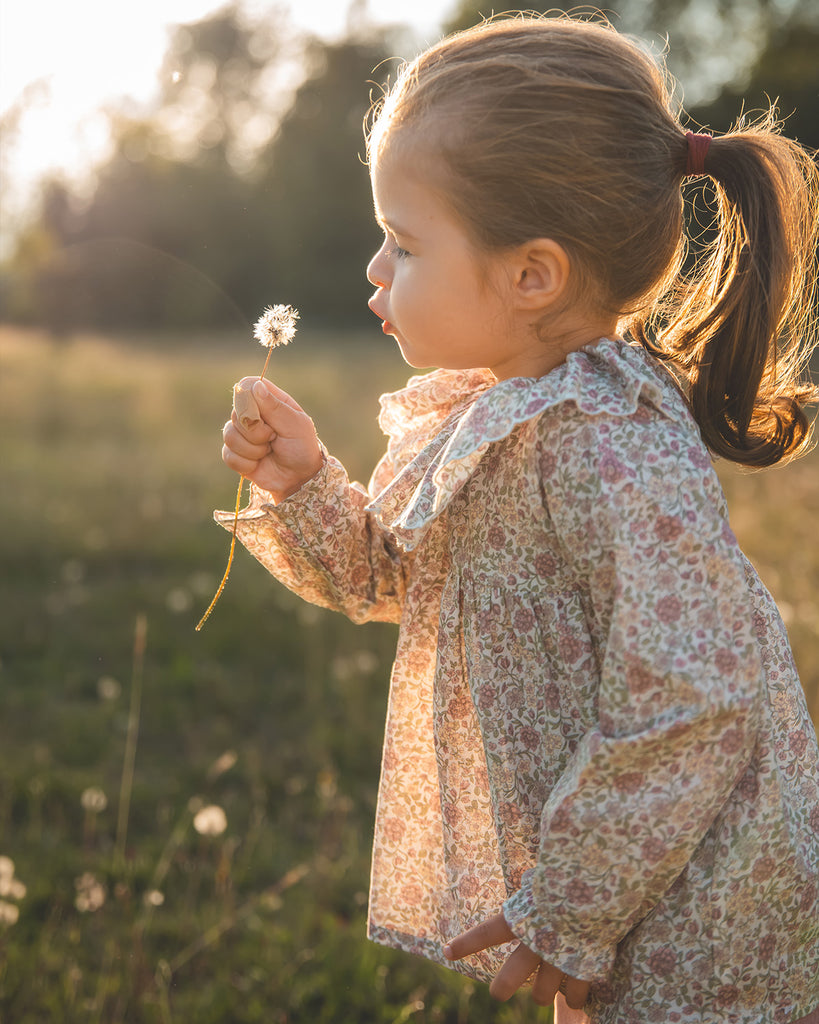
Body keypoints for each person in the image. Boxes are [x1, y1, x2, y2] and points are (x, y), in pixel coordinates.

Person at [217, 14, 819, 1023]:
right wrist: (307, 479)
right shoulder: (506, 410)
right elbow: (399, 580)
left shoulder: (604, 440)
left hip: (702, 907)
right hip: (620, 884)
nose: (374, 269)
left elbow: (696, 694)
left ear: (532, 274)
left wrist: (573, 907)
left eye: (404, 242)